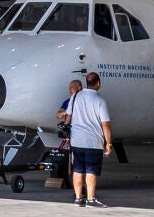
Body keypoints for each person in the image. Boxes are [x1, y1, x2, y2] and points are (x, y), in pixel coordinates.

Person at [65, 72, 113, 207]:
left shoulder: (75, 96)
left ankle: (78, 198)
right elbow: (105, 124)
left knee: (77, 169)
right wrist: (109, 143)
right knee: (91, 170)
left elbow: (68, 117)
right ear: (98, 83)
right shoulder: (100, 101)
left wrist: (67, 131)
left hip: (77, 141)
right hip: (93, 142)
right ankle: (91, 199)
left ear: (86, 83)